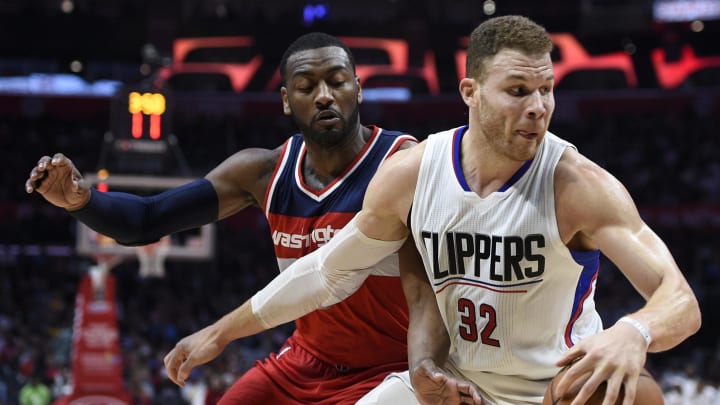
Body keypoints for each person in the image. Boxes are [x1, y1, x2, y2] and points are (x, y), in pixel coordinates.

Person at [157, 15, 701, 405]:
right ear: (471, 91)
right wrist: (222, 332)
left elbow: (679, 300)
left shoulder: (579, 184)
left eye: (546, 90)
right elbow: (326, 273)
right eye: (517, 90)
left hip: (556, 388)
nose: (538, 108)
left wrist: (636, 331)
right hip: (456, 387)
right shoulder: (414, 173)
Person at [25, 32, 418, 404]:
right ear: (285, 100)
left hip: (390, 368)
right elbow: (146, 220)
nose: (324, 96)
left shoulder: (400, 162)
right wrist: (82, 202)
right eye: (306, 87)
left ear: (359, 88)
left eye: (337, 82)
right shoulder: (263, 172)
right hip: (306, 361)